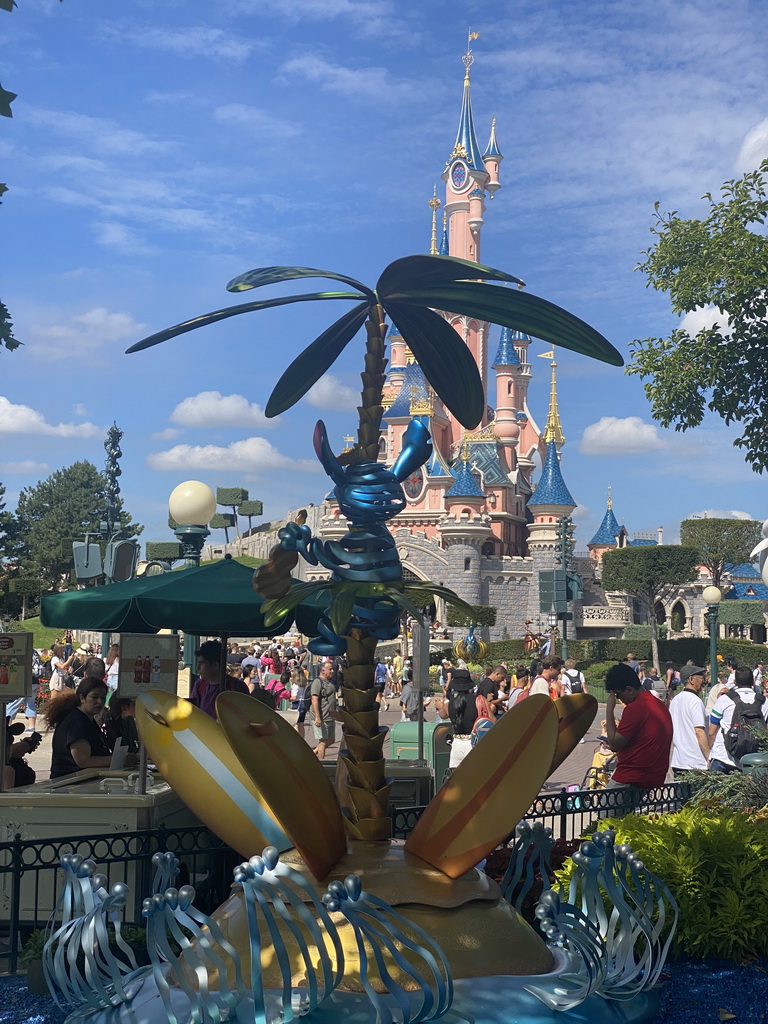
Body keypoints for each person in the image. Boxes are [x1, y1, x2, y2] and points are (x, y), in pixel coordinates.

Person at [602, 662, 673, 812]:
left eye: (618, 694)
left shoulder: (636, 708)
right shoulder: (657, 704)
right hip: (654, 774)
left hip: (631, 776)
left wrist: (609, 709)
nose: (618, 699)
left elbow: (614, 744)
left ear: (629, 689)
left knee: (605, 818)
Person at [47, 677, 134, 779]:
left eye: (103, 698)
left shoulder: (87, 719)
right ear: (82, 698)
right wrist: (120, 759)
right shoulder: (77, 721)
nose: (99, 702)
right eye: (94, 697)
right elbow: (83, 761)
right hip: (68, 783)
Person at [708, 666, 768, 772]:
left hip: (723, 758)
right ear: (753, 680)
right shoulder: (764, 701)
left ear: (735, 682)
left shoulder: (724, 700)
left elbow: (712, 732)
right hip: (750, 761)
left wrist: (708, 753)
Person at [189, 640, 249, 719]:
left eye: (201, 663)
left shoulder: (237, 687)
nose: (198, 668)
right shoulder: (199, 685)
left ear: (215, 665)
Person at [668, 665, 709, 775]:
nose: (704, 681)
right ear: (691, 679)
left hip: (678, 761)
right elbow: (699, 731)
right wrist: (708, 756)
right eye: (701, 677)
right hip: (695, 762)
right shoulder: (695, 701)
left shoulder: (675, 701)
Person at [436, 670, 477, 769]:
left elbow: (443, 715)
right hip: (473, 741)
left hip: (457, 743)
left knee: (456, 780)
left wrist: (440, 706)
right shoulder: (477, 700)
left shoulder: (449, 704)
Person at [310, 660, 340, 759]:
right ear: (323, 670)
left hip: (330, 715)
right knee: (322, 742)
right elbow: (314, 699)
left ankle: (314, 752)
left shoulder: (330, 681)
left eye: (332, 669)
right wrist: (318, 717)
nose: (332, 671)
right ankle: (322, 763)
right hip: (321, 716)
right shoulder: (318, 682)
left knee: (331, 739)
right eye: (330, 669)